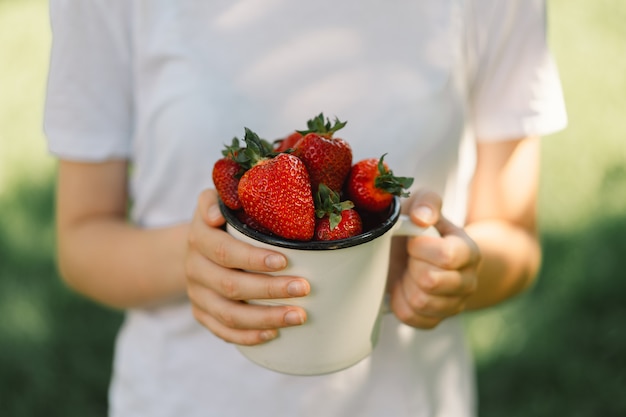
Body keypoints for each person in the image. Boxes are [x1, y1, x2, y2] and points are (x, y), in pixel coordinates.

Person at [44, 0, 567, 416]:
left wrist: (454, 270)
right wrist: (192, 261)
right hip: (183, 400)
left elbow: (514, 238)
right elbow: (82, 240)